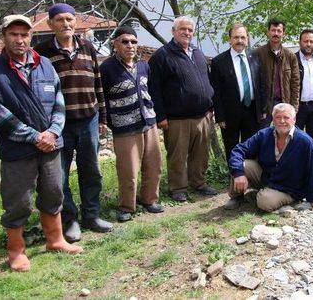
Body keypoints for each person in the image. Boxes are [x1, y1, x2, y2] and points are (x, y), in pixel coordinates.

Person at [0, 15, 83, 272]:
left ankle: (55, 240)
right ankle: (15, 250)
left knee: (54, 191)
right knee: (18, 200)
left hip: (51, 145)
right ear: (4, 37)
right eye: (14, 34)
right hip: (18, 149)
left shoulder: (44, 65)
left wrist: (54, 132)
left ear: (31, 37)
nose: (20, 39)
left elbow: (59, 103)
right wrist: (35, 136)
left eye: (24, 34)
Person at [34, 3, 112, 242]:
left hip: (89, 119)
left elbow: (98, 83)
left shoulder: (87, 47)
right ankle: (71, 220)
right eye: (60, 20)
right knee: (60, 177)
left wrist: (102, 118)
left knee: (92, 172)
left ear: (75, 22)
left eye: (69, 19)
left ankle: (92, 215)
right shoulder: (42, 52)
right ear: (50, 24)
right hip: (59, 126)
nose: (65, 24)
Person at [148, 16, 217, 202]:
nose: (187, 33)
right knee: (178, 156)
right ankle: (177, 187)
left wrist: (211, 106)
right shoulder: (161, 56)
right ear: (173, 31)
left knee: (201, 154)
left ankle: (199, 183)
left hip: (203, 116)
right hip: (177, 119)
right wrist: (160, 116)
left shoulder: (197, 53)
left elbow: (207, 81)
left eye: (190, 30)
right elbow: (154, 89)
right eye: (183, 29)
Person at [100, 26, 163, 222]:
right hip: (124, 127)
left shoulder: (144, 65)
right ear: (115, 44)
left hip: (148, 122)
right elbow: (101, 97)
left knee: (153, 164)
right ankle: (127, 206)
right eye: (125, 41)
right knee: (128, 170)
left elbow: (151, 90)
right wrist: (106, 121)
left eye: (133, 42)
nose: (130, 45)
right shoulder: (107, 68)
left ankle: (150, 200)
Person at [224, 103, 313, 211]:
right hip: (267, 177)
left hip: (289, 187)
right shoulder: (264, 135)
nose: (282, 121)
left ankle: (287, 199)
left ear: (294, 119)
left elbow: (311, 170)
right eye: (278, 117)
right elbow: (238, 150)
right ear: (273, 120)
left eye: (286, 117)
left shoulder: (305, 142)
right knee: (241, 165)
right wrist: (238, 173)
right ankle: (237, 196)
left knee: (264, 202)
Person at [210, 23, 267, 160]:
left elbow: (262, 85)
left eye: (243, 37)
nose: (240, 40)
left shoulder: (255, 57)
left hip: (252, 111)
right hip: (230, 114)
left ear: (247, 39)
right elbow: (215, 92)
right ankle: (235, 178)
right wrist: (220, 117)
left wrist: (263, 109)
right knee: (232, 147)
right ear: (230, 39)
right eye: (236, 37)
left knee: (252, 146)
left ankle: (250, 177)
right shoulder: (219, 61)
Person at [255, 19, 300, 127]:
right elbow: (255, 82)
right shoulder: (258, 53)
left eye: (279, 31)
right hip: (265, 105)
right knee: (263, 135)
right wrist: (259, 107)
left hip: (284, 103)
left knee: (284, 136)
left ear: (283, 33)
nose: (276, 33)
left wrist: (293, 107)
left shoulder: (290, 56)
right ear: (268, 32)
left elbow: (295, 83)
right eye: (273, 30)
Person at [295, 29, 313, 144]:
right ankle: (297, 162)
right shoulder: (293, 59)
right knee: (295, 139)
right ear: (300, 42)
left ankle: (311, 161)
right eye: (305, 41)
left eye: (311, 41)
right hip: (298, 107)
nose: (308, 44)